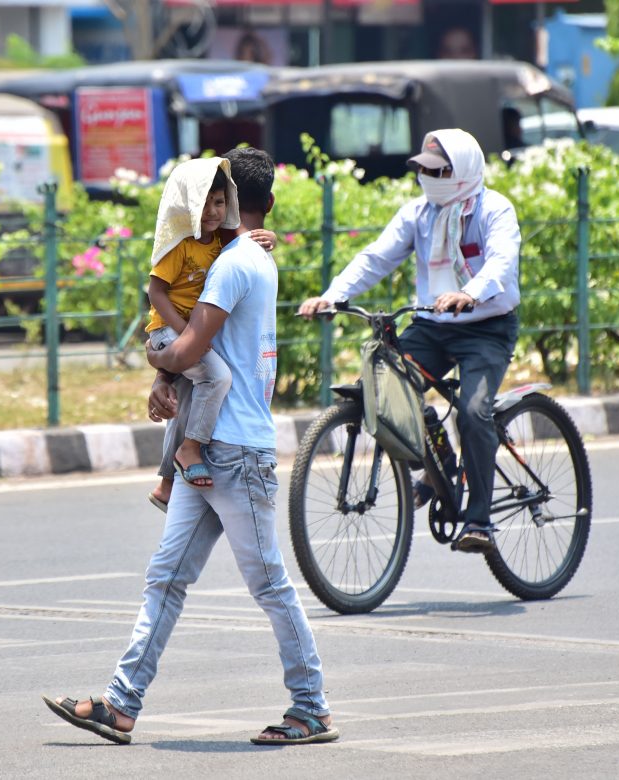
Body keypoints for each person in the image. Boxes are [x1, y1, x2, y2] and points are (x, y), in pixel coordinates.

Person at [43, 147, 338, 746]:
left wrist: (157, 368)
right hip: (212, 450)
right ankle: (121, 705)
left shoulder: (235, 264)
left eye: (217, 198)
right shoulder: (243, 257)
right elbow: (202, 351)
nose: (211, 208)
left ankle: (312, 708)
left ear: (227, 200)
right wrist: (166, 376)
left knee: (270, 586)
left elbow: (190, 347)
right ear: (268, 205)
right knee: (165, 578)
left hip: (237, 451)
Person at [298, 129, 520, 554]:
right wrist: (333, 296)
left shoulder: (495, 210)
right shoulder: (419, 213)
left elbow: (502, 262)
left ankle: (479, 521)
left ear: (466, 170)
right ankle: (441, 468)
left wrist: (470, 292)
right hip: (434, 323)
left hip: (487, 326)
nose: (428, 177)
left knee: (473, 413)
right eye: (423, 169)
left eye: (439, 171)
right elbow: (376, 257)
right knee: (385, 390)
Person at [145, 157, 275, 512]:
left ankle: (167, 483)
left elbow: (243, 236)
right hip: (172, 331)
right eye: (204, 203)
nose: (213, 212)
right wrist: (179, 339)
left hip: (184, 339)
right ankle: (189, 449)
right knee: (217, 377)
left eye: (219, 202)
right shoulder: (182, 245)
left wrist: (269, 237)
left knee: (186, 392)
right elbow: (156, 292)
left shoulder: (225, 247)